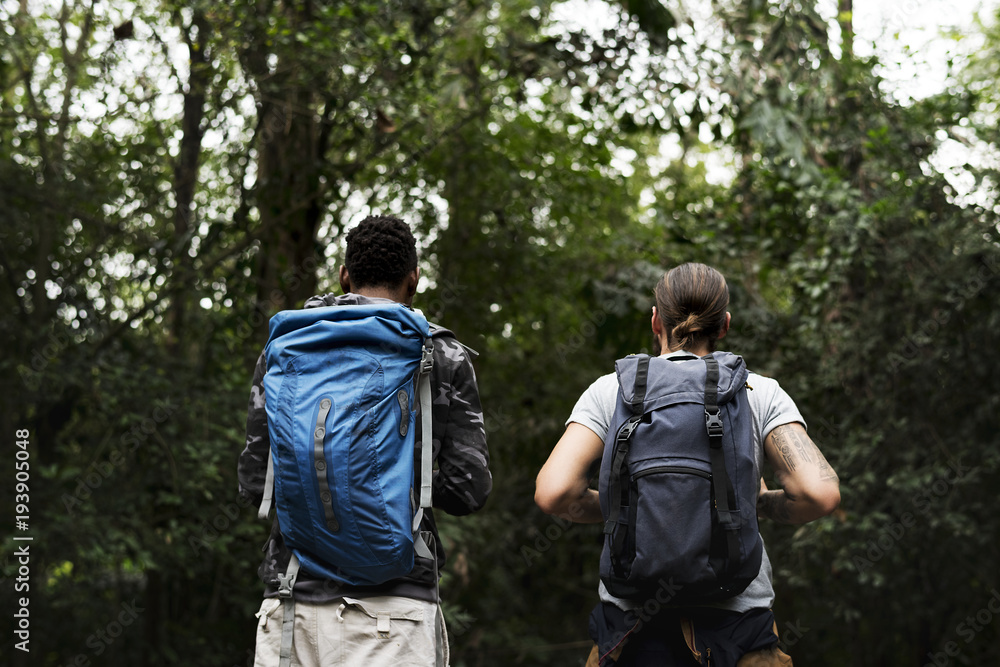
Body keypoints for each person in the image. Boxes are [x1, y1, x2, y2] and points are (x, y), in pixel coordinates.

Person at [535, 262, 840, 666]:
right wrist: (754, 504)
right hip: (737, 628)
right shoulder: (758, 391)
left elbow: (554, 493)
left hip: (630, 631)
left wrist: (623, 505)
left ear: (655, 320)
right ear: (724, 325)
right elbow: (819, 494)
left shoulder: (612, 390)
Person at [239, 214, 492, 667]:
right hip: (395, 610)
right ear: (414, 280)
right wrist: (400, 480)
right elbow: (468, 489)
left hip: (292, 601)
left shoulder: (287, 347)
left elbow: (255, 482)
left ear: (344, 275)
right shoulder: (441, 354)